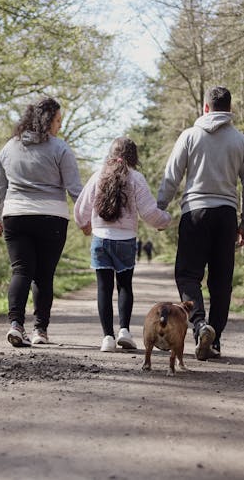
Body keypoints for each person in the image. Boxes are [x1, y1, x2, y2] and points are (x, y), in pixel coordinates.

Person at [157, 86, 244, 360]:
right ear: (229, 109)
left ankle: (200, 324)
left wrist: (159, 209)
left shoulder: (189, 136)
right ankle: (215, 340)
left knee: (188, 275)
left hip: (195, 214)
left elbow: (171, 175)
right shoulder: (242, 142)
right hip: (226, 215)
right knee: (221, 281)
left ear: (205, 108)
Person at [0, 97, 83, 348]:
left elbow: (0, 187)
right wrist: (86, 219)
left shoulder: (8, 148)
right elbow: (75, 189)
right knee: (43, 276)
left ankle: (15, 325)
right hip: (51, 218)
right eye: (57, 121)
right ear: (47, 121)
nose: (59, 126)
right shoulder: (60, 148)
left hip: (15, 215)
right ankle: (40, 331)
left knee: (21, 271)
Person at [74, 137, 171, 352]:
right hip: (125, 239)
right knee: (125, 285)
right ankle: (124, 331)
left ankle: (107, 338)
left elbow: (82, 207)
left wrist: (85, 225)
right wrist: (164, 220)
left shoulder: (98, 175)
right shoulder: (136, 178)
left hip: (100, 238)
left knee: (104, 288)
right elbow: (148, 211)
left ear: (111, 154)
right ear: (133, 157)